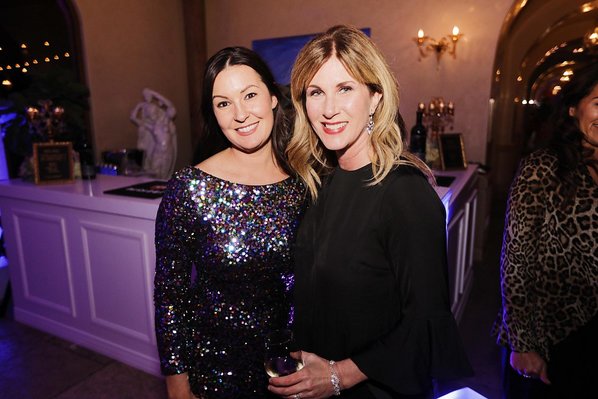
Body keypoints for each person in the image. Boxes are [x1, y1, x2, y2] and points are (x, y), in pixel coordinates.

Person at [268, 25, 471, 399]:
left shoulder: (404, 192)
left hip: (372, 388)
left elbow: (426, 321)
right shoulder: (318, 182)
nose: (329, 109)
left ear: (376, 96)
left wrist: (339, 375)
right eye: (316, 92)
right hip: (310, 379)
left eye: (345, 88)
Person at [154, 47, 305, 399]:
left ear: (271, 97)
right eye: (223, 103)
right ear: (214, 115)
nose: (240, 114)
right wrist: (177, 384)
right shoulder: (189, 189)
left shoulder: (304, 180)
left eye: (249, 95)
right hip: (219, 372)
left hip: (292, 366)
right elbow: (169, 295)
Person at [495, 63, 598, 399]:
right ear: (574, 108)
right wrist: (523, 344)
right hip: (553, 335)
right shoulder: (543, 168)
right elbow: (516, 260)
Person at [130, 88, 177, 179]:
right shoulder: (151, 126)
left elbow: (171, 107)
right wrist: (140, 106)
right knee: (155, 175)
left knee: (165, 176)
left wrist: (154, 94)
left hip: (168, 152)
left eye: (154, 112)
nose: (152, 115)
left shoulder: (165, 121)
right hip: (158, 152)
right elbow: (133, 117)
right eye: (150, 114)